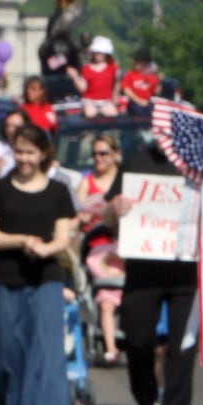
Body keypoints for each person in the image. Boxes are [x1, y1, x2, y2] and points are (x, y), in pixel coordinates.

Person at [0, 122, 76, 405]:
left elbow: (64, 235)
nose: (24, 158)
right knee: (9, 354)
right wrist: (20, 241)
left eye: (30, 152)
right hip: (7, 281)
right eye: (18, 151)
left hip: (46, 280)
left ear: (43, 154)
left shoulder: (58, 191)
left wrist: (47, 249)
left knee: (47, 354)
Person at [103, 135, 199, 405]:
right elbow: (107, 218)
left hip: (185, 271)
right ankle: (145, 404)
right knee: (138, 341)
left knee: (182, 347)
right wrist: (115, 208)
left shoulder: (198, 166)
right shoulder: (136, 163)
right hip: (143, 271)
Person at [77, 133, 125, 365]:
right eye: (95, 154)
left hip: (125, 243)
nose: (98, 158)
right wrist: (84, 216)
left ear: (116, 155)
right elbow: (74, 214)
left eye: (103, 153)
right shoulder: (87, 183)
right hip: (98, 245)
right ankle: (110, 347)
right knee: (106, 294)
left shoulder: (124, 180)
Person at [79, 36, 120, 118]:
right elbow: (83, 87)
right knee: (90, 115)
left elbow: (118, 82)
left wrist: (115, 96)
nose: (97, 55)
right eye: (95, 52)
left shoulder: (113, 68)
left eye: (100, 52)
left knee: (113, 115)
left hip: (106, 101)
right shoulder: (86, 68)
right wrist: (75, 77)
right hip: (89, 101)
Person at [120, 49, 161, 113]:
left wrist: (159, 80)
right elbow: (126, 89)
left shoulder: (152, 77)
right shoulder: (130, 74)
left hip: (147, 103)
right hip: (133, 102)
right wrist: (138, 100)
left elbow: (156, 92)